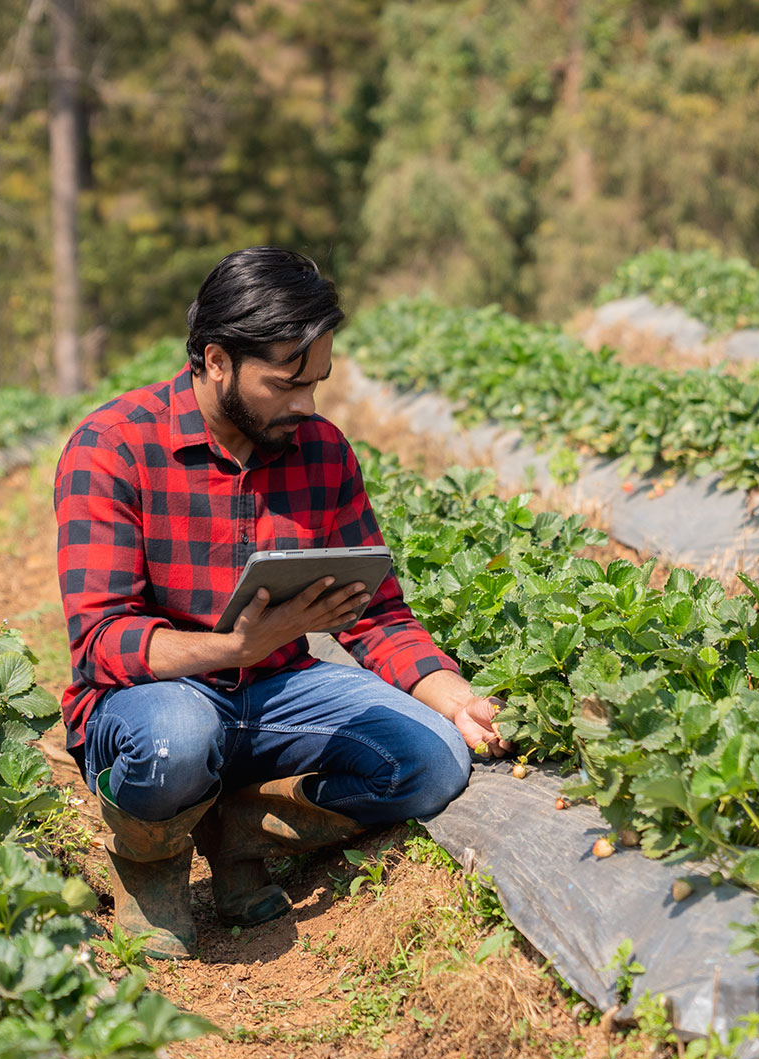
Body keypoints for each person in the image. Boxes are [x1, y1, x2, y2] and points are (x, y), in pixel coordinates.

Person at [53, 246, 509, 959]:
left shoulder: (321, 452)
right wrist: (235, 649)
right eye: (288, 383)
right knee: (176, 740)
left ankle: (240, 827)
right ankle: (152, 862)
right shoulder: (111, 448)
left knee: (434, 762)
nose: (307, 405)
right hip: (150, 702)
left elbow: (377, 612)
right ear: (215, 361)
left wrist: (452, 696)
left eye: (318, 381)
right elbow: (101, 640)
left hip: (276, 693)